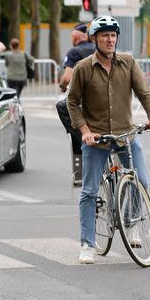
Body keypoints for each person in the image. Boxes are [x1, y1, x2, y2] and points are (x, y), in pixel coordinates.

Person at [67, 16, 150, 264]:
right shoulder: (83, 68)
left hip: (125, 135)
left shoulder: (128, 63)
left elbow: (144, 92)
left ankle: (130, 224)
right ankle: (87, 244)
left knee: (140, 180)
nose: (110, 40)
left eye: (113, 35)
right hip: (96, 138)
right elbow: (72, 103)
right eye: (104, 36)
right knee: (88, 191)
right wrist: (85, 131)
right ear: (94, 39)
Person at [56, 23, 95, 186]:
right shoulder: (96, 48)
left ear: (75, 37)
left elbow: (67, 77)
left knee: (62, 106)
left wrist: (63, 87)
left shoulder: (74, 52)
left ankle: (80, 140)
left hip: (82, 98)